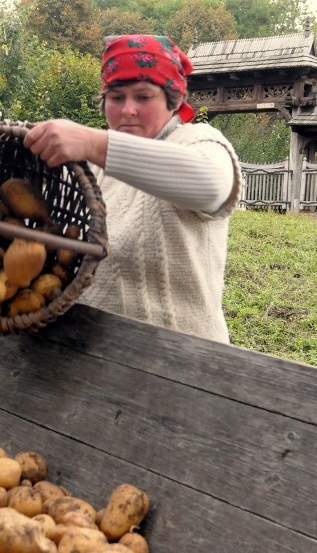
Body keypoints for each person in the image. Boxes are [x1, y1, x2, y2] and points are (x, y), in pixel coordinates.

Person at [23, 34, 242, 344]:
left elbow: (210, 187)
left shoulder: (199, 142)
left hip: (183, 364)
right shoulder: (92, 167)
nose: (127, 110)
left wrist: (91, 141)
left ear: (173, 100)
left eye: (143, 97)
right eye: (116, 97)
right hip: (95, 357)